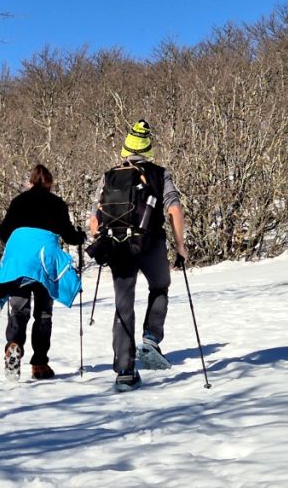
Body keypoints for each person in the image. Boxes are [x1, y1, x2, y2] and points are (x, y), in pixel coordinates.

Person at [88, 120, 188, 392]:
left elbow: (94, 219)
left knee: (123, 304)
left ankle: (124, 371)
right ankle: (151, 338)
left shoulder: (109, 175)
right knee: (159, 287)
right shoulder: (159, 173)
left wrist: (99, 239)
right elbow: (174, 210)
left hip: (117, 246)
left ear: (125, 148)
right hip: (150, 242)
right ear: (149, 148)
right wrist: (180, 246)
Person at [0, 164, 86, 381]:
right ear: (50, 184)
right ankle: (40, 364)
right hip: (45, 262)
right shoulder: (57, 203)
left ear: (30, 182)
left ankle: (13, 345)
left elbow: (3, 231)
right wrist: (80, 237)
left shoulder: (19, 201)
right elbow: (69, 236)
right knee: (43, 313)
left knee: (18, 311)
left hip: (19, 263)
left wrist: (17, 244)